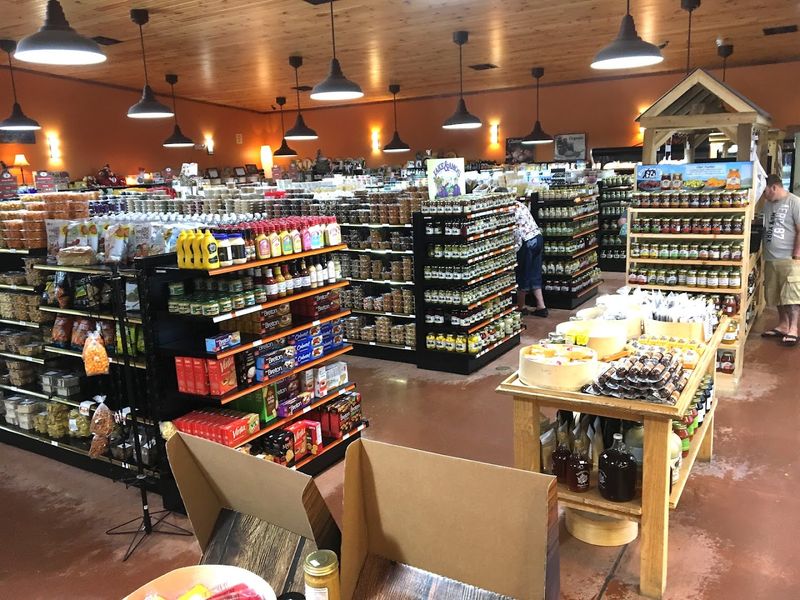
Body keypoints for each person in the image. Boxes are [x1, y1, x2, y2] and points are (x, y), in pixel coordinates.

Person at [760, 174, 800, 346]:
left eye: (765, 191)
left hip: (789, 258)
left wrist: (797, 255)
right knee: (775, 295)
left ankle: (794, 328)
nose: (763, 195)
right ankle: (783, 325)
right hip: (770, 258)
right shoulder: (768, 204)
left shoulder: (794, 202)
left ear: (773, 187)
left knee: (791, 296)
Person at [513, 199, 547, 317]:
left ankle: (520, 307)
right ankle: (541, 307)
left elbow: (515, 232)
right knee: (535, 273)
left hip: (526, 242)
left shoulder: (508, 209)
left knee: (522, 274)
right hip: (537, 238)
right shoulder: (520, 204)